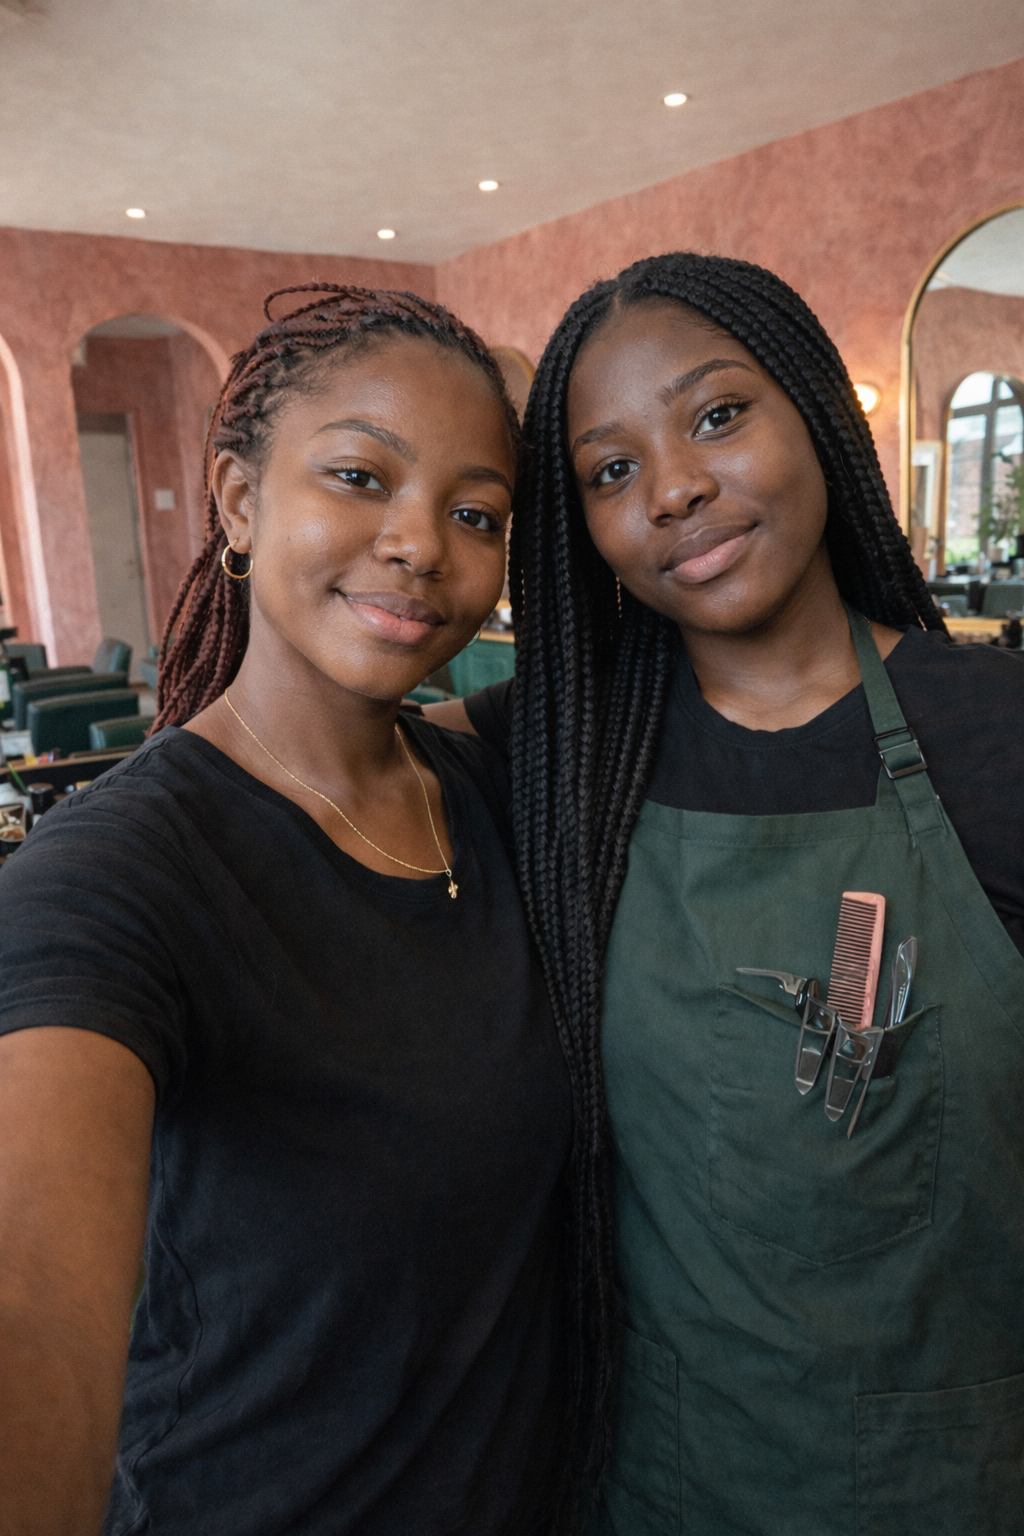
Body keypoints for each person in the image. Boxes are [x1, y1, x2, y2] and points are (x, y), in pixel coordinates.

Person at [428, 254, 1024, 1534]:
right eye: (610, 470)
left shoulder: (1001, 735)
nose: (677, 489)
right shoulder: (545, 754)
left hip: (964, 1476)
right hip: (663, 1480)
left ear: (814, 406)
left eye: (714, 416)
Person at [0, 285, 577, 1536]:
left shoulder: (487, 782)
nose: (421, 541)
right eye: (360, 476)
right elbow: (33, 1305)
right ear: (240, 501)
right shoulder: (116, 873)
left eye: (475, 512)